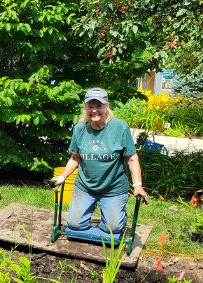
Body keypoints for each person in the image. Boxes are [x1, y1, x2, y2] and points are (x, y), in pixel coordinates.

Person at [51, 87, 149, 235]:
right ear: (85, 108)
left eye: (99, 106)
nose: (94, 110)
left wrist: (137, 185)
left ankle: (115, 214)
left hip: (113, 188)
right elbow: (75, 158)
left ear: (106, 106)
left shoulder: (119, 127)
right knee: (75, 224)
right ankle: (98, 211)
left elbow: (132, 158)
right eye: (90, 106)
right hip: (85, 186)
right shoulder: (79, 129)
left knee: (113, 228)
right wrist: (62, 177)